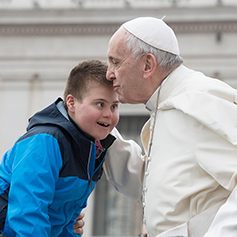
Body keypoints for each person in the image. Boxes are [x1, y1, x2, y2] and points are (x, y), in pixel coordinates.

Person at [103, 16, 237, 237]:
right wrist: (97, 130)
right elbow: (158, 188)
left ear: (147, 65)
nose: (109, 74)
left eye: (115, 62)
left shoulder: (198, 100)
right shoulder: (168, 104)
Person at [0, 59, 119, 236]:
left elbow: (67, 219)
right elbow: (28, 215)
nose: (109, 114)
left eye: (114, 106)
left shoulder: (93, 149)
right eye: (100, 104)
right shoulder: (44, 141)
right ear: (71, 103)